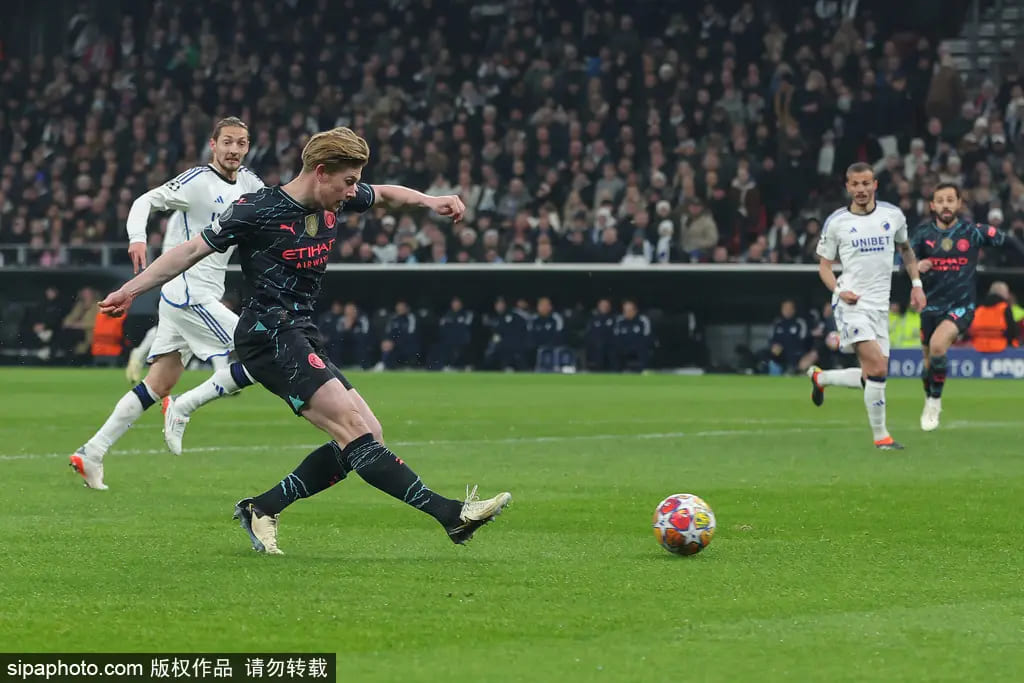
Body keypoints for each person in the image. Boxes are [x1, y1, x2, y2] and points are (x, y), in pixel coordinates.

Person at [97, 127, 510, 553]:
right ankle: (452, 515)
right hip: (267, 336)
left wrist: (429, 200)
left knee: (369, 433)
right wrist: (130, 290)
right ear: (321, 171)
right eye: (348, 182)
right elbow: (188, 251)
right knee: (355, 431)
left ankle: (263, 507)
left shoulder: (336, 196)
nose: (353, 192)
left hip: (300, 332)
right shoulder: (257, 210)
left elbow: (385, 195)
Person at [69, 118, 264, 486]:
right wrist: (137, 237)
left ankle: (91, 452)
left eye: (241, 143)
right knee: (265, 350)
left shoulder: (251, 184)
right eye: (227, 142)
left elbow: (276, 213)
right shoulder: (197, 181)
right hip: (189, 291)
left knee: (159, 383)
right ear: (213, 145)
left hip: (195, 293)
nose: (234, 149)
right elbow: (145, 200)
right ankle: (183, 406)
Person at [806, 162, 926, 450]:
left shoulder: (892, 216)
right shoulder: (837, 222)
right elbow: (824, 267)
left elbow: (906, 250)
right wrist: (840, 290)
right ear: (848, 187)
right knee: (877, 366)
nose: (861, 189)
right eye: (855, 184)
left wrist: (917, 284)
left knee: (873, 374)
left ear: (875, 185)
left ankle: (821, 377)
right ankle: (881, 437)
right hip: (851, 304)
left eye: (866, 183)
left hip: (879, 307)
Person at [911, 183, 1020, 430]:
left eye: (951, 200)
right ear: (932, 205)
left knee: (938, 345)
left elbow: (1008, 241)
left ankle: (934, 403)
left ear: (959, 203)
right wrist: (916, 267)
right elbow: (904, 263)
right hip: (930, 306)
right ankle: (929, 397)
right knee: (928, 364)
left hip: (961, 306)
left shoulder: (972, 232)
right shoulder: (922, 234)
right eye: (941, 201)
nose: (946, 205)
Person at [968, 281, 1019, 353]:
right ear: (1004, 293)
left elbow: (969, 331)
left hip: (978, 347)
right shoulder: (1005, 308)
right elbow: (1012, 331)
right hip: (1001, 349)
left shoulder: (979, 310)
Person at [428, 296, 474, 370]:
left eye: (457, 303)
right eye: (454, 303)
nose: (455, 305)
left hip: (462, 341)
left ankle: (464, 366)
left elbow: (466, 327)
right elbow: (442, 327)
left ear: (461, 304)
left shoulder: (467, 314)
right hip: (448, 341)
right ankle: (444, 366)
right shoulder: (447, 314)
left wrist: (452, 324)